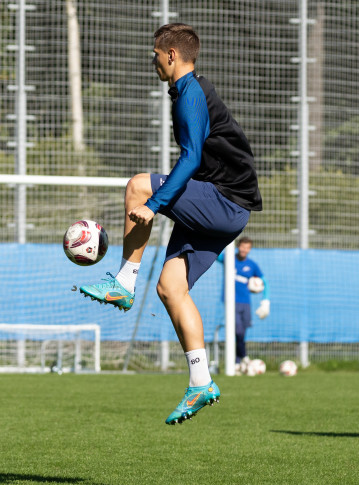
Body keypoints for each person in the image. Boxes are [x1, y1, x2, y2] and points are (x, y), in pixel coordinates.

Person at [78, 23, 262, 425]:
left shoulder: (191, 93)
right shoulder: (187, 91)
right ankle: (201, 381)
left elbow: (191, 157)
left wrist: (154, 204)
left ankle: (123, 282)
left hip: (224, 201)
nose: (154, 61)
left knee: (137, 187)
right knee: (170, 288)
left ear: (172, 55)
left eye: (156, 55)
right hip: (227, 208)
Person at [217, 237, 270, 372]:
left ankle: (237, 363)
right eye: (242, 247)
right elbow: (215, 255)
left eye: (247, 248)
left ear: (250, 249)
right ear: (238, 246)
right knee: (238, 330)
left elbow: (265, 282)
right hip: (231, 301)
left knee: (242, 333)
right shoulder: (228, 258)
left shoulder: (252, 265)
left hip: (245, 303)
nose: (244, 250)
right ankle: (244, 357)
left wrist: (265, 301)